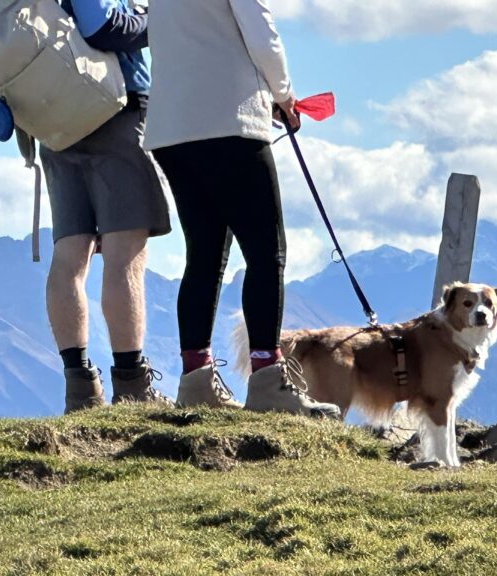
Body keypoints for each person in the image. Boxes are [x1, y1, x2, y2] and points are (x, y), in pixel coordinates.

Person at [143, 0, 341, 418]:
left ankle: (195, 378)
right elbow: (261, 33)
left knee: (205, 254)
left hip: (170, 128)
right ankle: (268, 378)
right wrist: (283, 95)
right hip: (230, 121)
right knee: (267, 252)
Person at [42, 0, 172, 413]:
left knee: (69, 256)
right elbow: (103, 27)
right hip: (112, 105)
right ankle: (133, 383)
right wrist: (159, 19)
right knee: (124, 254)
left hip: (51, 117)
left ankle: (79, 387)